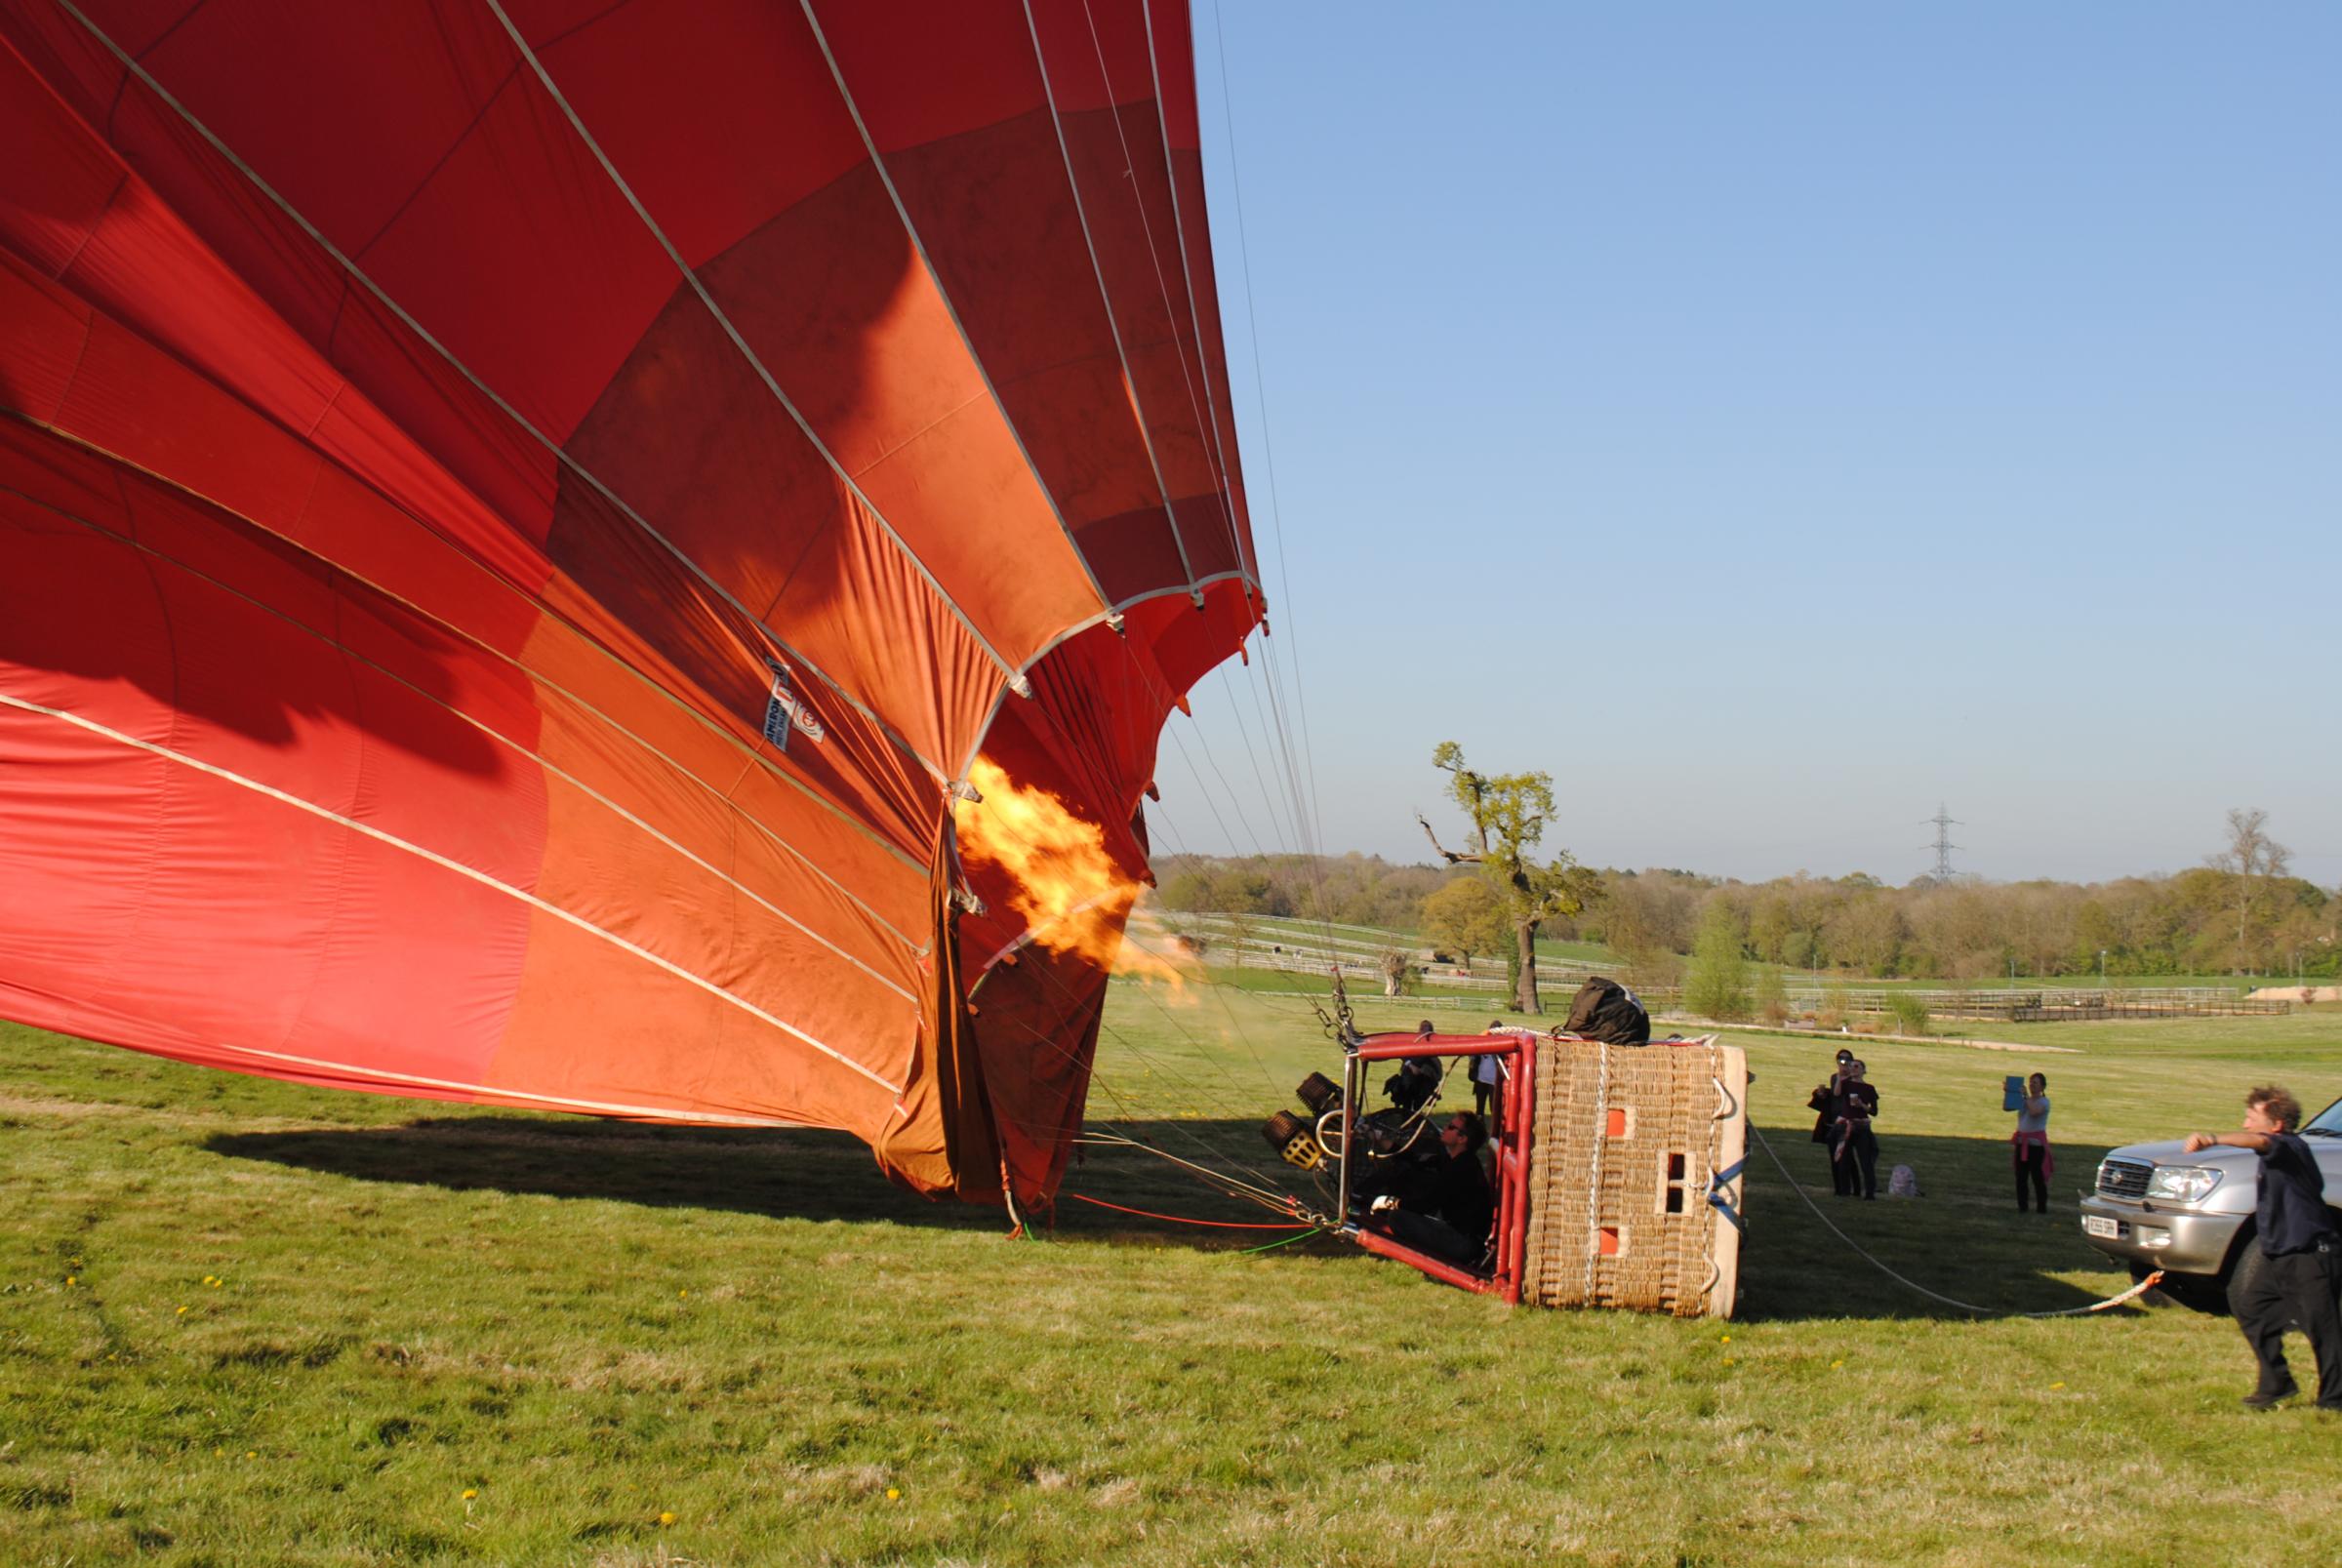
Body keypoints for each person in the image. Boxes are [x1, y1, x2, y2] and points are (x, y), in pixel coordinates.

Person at [2181, 1087, 2342, 1410]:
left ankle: (2335, 1398)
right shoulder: (2281, 1151)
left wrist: (2212, 1139)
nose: (2245, 1124)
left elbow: (2261, 1141)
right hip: (2279, 1250)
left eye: (2252, 1118)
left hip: (2310, 1252)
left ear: (2277, 1124)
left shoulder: (2289, 1146)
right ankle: (2277, 1382)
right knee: (2252, 1303)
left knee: (2321, 1325)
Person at [1830, 1060, 1881, 1199]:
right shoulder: (1846, 1084)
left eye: (1856, 1066)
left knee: (1866, 1162)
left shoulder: (1869, 1088)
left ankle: (1870, 1194)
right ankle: (1845, 1192)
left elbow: (1874, 1112)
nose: (1853, 1068)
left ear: (1864, 1070)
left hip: (1861, 1127)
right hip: (1845, 1126)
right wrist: (1840, 1078)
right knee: (1844, 1160)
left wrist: (1862, 1105)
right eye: (1851, 1066)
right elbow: (1836, 1093)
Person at [1808, 1048, 1854, 1186]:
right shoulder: (1834, 1077)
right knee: (1834, 1156)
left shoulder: (1854, 1079)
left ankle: (1852, 1187)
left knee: (1847, 1157)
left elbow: (1844, 1095)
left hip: (1847, 1121)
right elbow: (1835, 1095)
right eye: (1841, 1059)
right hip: (1833, 1121)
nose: (1844, 1062)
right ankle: (1838, 1188)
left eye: (1847, 1059)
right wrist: (1821, 1094)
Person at [2009, 1071, 2053, 1213]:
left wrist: (2026, 1096)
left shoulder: (2044, 1102)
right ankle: (2022, 1207)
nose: (2032, 1085)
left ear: (2042, 1087)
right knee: (2020, 1177)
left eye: (2035, 1083)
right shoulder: (2024, 1100)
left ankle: (2041, 1207)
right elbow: (2007, 1107)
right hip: (2022, 1144)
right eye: (2031, 1082)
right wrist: (2009, 1093)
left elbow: (2034, 1112)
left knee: (2037, 1177)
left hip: (2036, 1147)